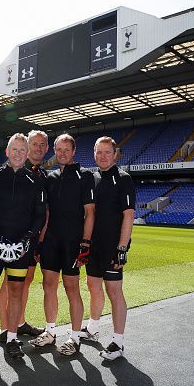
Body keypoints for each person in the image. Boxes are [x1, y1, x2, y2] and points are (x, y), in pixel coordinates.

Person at [0, 133, 46, 358]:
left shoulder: (36, 180)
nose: (18, 154)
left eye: (23, 150)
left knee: (15, 291)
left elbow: (40, 215)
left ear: (27, 153)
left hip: (21, 249)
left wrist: (28, 238)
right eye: (15, 149)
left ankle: (12, 338)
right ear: (7, 151)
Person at [29, 134, 95, 356]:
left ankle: (75, 337)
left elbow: (90, 212)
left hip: (72, 242)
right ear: (54, 151)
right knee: (49, 285)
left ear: (74, 151)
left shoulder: (86, 176)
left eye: (67, 149)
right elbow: (47, 213)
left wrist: (85, 243)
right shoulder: (51, 177)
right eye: (59, 149)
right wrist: (40, 241)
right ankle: (49, 332)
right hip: (51, 241)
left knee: (71, 288)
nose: (63, 153)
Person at [80, 136, 135, 361]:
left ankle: (118, 343)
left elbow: (129, 215)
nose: (103, 156)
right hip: (94, 246)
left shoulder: (124, 179)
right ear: (94, 153)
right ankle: (93, 328)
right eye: (99, 152)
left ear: (115, 154)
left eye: (107, 152)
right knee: (93, 285)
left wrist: (122, 248)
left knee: (114, 291)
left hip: (113, 247)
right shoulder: (92, 178)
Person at [0, 129, 49, 341]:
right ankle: (3, 328)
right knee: (9, 282)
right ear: (27, 147)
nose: (38, 148)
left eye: (42, 145)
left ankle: (19, 322)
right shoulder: (13, 170)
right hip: (12, 239)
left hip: (32, 238)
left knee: (25, 280)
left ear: (46, 149)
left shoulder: (42, 175)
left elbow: (43, 211)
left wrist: (40, 240)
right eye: (34, 144)